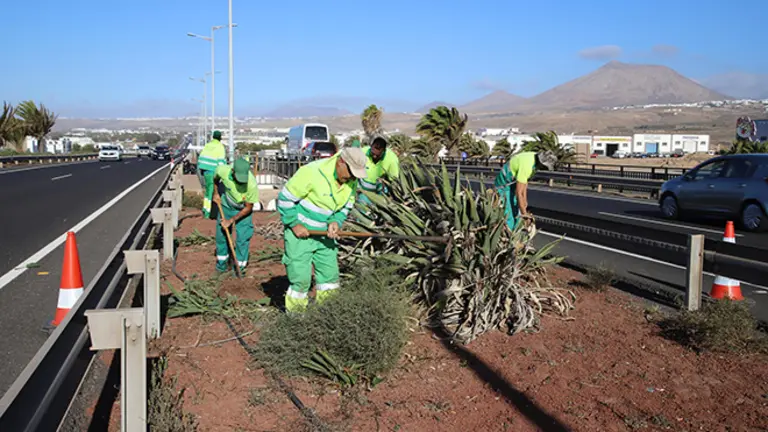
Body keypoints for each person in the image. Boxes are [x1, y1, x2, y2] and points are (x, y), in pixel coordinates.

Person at [277, 147, 368, 312]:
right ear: (341, 162)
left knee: (330, 280)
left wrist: (336, 221)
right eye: (351, 172)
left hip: (325, 236)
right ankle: (296, 321)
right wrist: (294, 224)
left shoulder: (351, 181)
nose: (353, 178)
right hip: (300, 236)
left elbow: (345, 207)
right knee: (301, 280)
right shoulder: (312, 172)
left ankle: (326, 316)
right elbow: (285, 199)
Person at [212, 157, 259, 274]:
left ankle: (239, 270)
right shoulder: (223, 170)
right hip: (226, 206)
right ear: (232, 171)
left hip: (243, 210)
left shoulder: (251, 184)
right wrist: (216, 193)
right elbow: (215, 179)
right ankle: (221, 267)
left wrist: (231, 220)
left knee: (242, 239)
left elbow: (248, 208)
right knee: (221, 236)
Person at [494, 150, 557, 230]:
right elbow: (519, 192)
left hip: (513, 184)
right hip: (503, 186)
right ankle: (509, 234)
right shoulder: (527, 165)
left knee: (518, 210)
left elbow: (524, 183)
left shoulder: (533, 160)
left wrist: (524, 202)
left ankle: (516, 232)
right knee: (509, 215)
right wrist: (524, 214)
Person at [357, 135, 400, 206]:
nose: (374, 156)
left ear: (384, 151)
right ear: (370, 147)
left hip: (381, 194)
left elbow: (393, 181)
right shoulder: (362, 153)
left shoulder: (392, 160)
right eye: (373, 153)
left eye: (378, 155)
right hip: (363, 192)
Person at [197, 130, 227, 218]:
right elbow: (221, 162)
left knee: (208, 191)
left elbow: (201, 158)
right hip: (213, 171)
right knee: (212, 191)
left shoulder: (208, 145)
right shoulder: (220, 147)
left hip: (205, 170)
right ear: (220, 138)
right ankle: (208, 213)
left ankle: (206, 209)